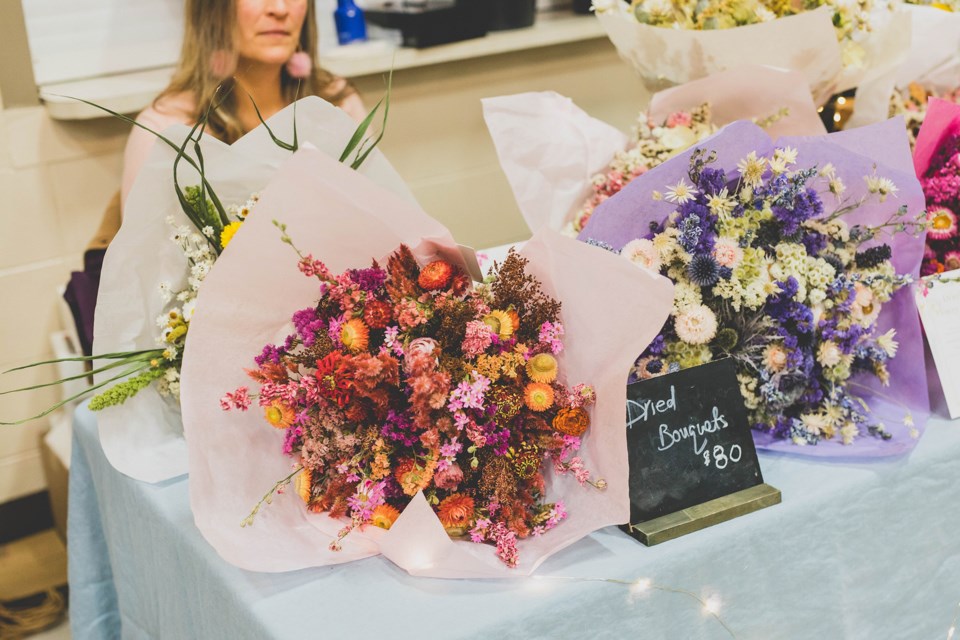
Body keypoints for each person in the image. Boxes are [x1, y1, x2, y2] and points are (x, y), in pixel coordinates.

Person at [121, 0, 366, 205]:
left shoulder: (338, 103)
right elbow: (144, 260)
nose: (280, 9)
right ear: (211, 8)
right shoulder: (164, 131)